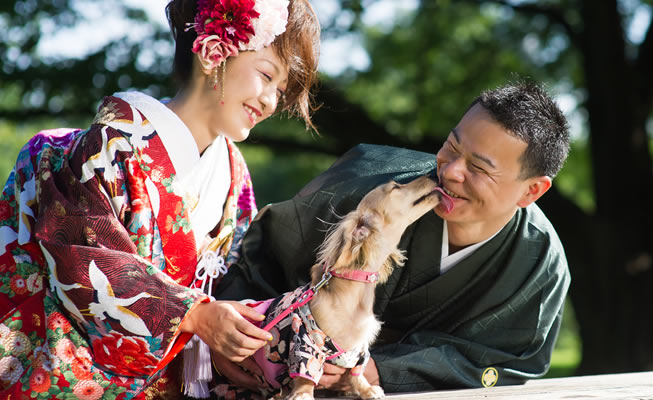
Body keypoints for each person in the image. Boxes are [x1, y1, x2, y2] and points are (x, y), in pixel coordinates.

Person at [0, 0, 319, 397]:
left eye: (281, 90)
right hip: (86, 364)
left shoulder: (234, 174)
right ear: (213, 53)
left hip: (184, 379)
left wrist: (231, 341)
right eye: (266, 75)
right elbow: (82, 259)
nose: (271, 101)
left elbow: (236, 277)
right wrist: (194, 315)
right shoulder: (111, 147)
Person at [214, 81, 572, 395]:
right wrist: (234, 337)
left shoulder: (541, 262)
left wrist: (378, 369)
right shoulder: (368, 195)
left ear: (532, 191)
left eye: (479, 168)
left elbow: (507, 362)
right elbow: (263, 251)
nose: (450, 172)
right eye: (451, 146)